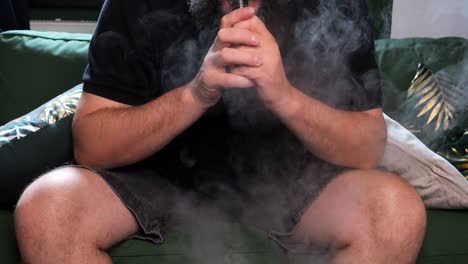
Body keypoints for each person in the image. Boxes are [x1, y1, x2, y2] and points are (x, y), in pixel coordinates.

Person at [14, 0, 427, 263]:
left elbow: (368, 146)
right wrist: (197, 93)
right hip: (154, 179)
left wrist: (283, 95)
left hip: (291, 184)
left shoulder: (336, 6)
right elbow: (91, 146)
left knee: (395, 212)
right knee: (47, 209)